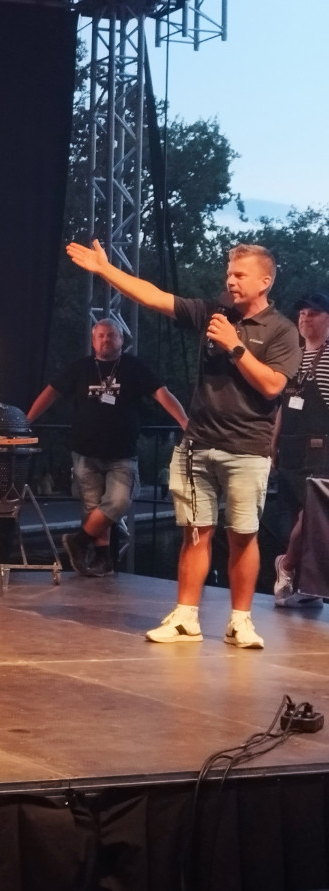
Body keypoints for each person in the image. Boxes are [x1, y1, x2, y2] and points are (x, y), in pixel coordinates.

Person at [67, 240, 299, 648]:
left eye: (240, 274)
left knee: (243, 534)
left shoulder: (282, 330)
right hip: (198, 444)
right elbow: (155, 297)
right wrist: (106, 270)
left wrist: (235, 345)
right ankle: (186, 618)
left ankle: (240, 622)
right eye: (228, 273)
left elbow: (272, 386)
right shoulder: (214, 313)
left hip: (247, 448)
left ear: (265, 281)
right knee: (195, 532)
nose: (230, 280)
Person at [26, 317, 188, 577]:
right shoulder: (80, 368)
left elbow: (162, 394)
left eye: (111, 335)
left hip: (122, 452)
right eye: (100, 336)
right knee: (93, 506)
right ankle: (103, 559)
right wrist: (27, 420)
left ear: (121, 339)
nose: (106, 340)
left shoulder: (133, 367)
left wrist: (184, 421)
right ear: (93, 341)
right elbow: (51, 392)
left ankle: (78, 541)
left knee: (119, 500)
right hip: (85, 451)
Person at [272, 291, 329, 607]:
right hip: (290, 448)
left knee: (314, 515)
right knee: (294, 519)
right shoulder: (292, 356)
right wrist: (272, 444)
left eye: (314, 313)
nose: (305, 318)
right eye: (302, 313)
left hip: (321, 449)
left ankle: (287, 565)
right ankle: (305, 589)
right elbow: (283, 404)